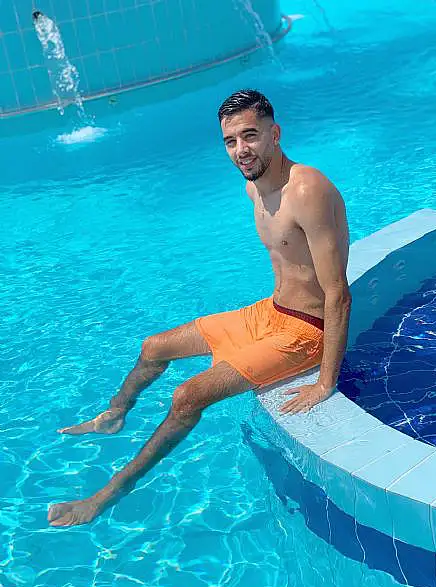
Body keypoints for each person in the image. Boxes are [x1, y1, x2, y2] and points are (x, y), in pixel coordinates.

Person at [47, 89, 352, 528]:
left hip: (305, 331)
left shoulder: (307, 190)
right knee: (153, 347)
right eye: (231, 140)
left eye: (250, 135)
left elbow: (338, 293)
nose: (241, 149)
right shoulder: (254, 187)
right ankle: (113, 415)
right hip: (271, 312)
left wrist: (325, 382)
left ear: (275, 134)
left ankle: (108, 493)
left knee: (187, 396)